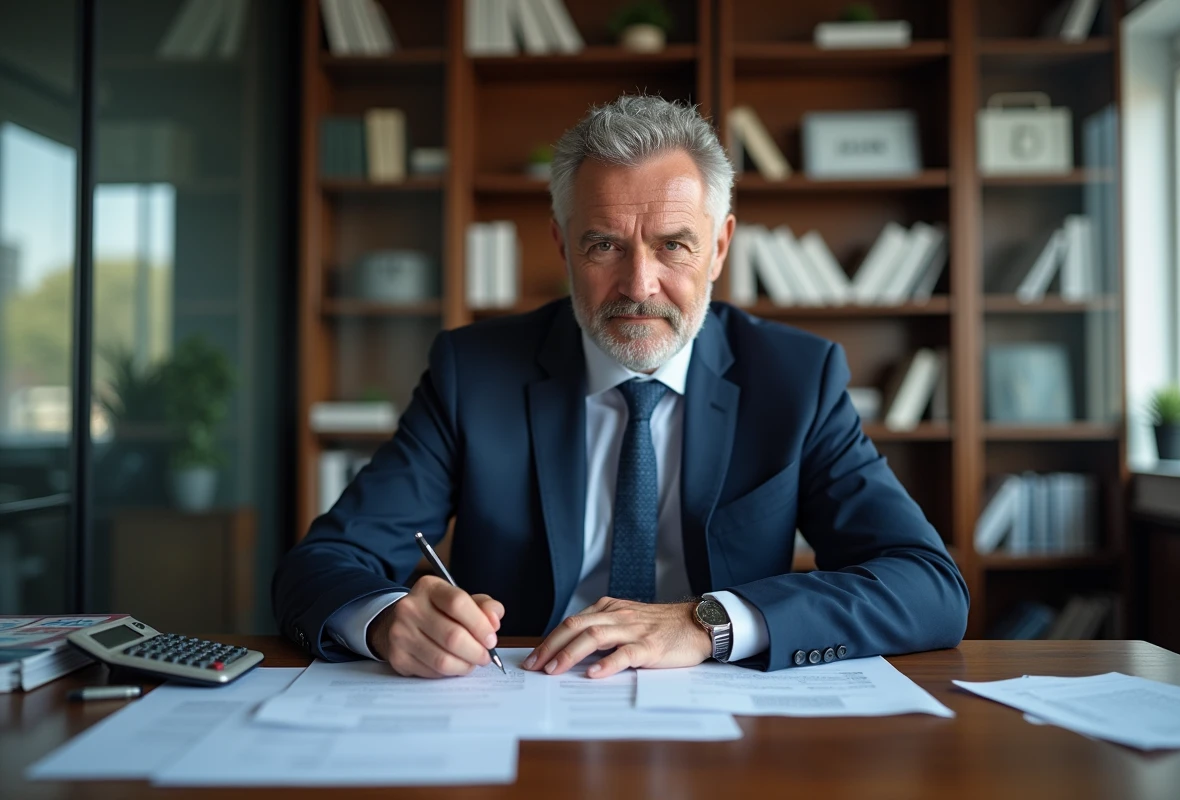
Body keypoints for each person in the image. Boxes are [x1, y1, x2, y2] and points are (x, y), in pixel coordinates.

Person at [273, 95, 968, 680]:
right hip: (517, 699)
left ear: (720, 246)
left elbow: (928, 586)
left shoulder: (793, 378)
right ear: (562, 243)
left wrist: (709, 623)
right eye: (605, 244)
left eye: (673, 244)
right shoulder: (474, 371)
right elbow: (323, 565)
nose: (639, 286)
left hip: (724, 711)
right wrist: (388, 619)